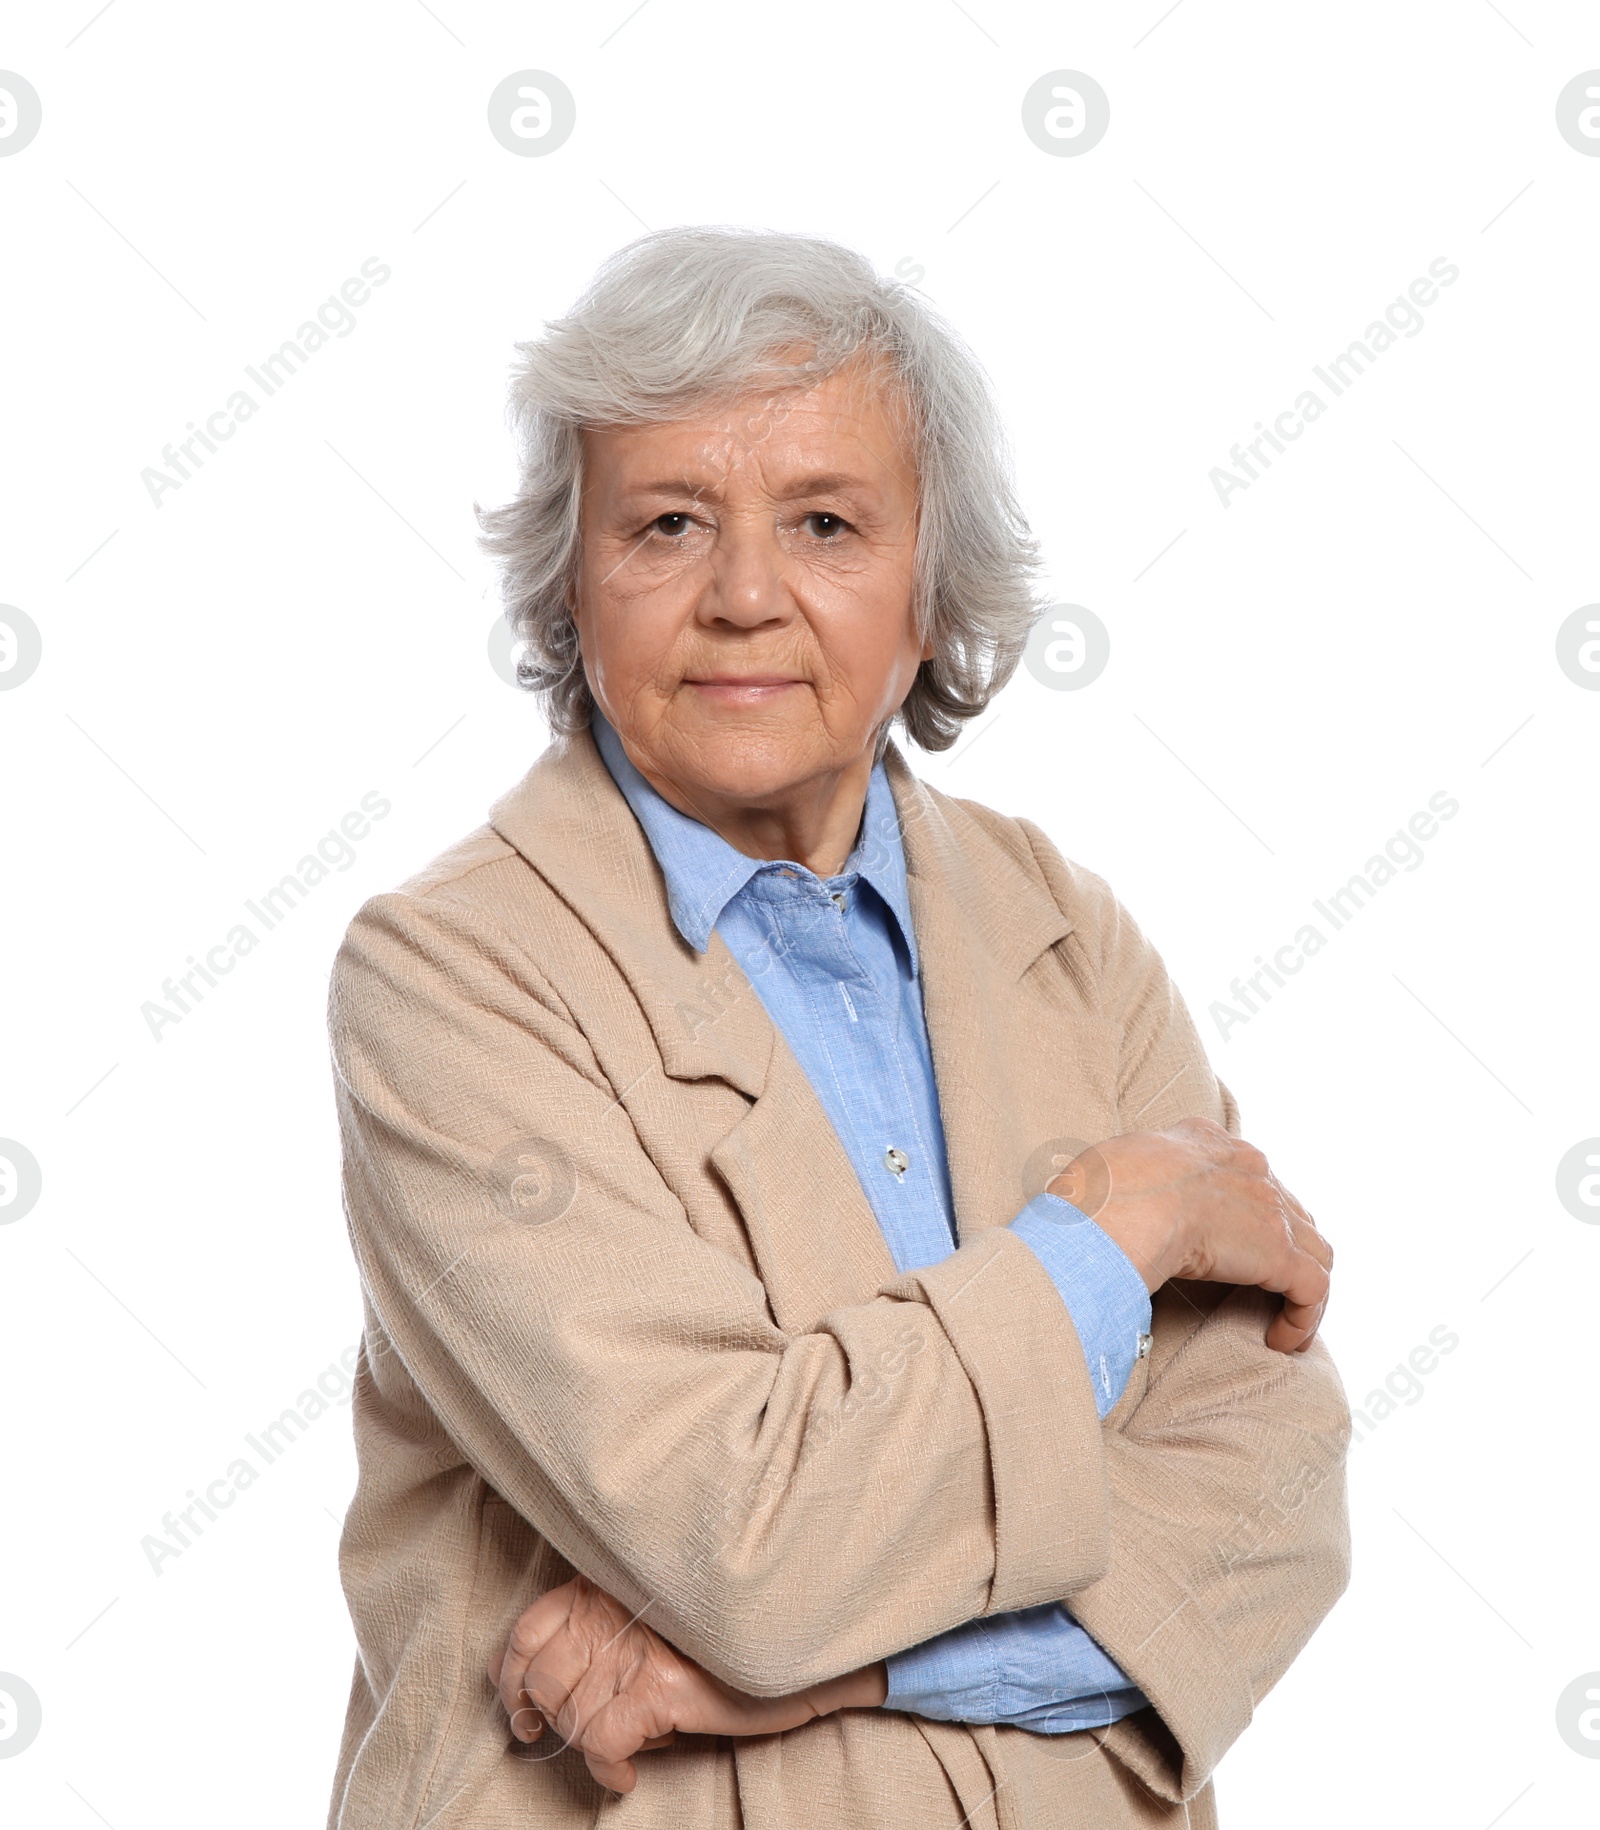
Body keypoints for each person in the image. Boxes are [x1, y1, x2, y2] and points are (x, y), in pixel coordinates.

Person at [325, 226, 1348, 1830]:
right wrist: (1105, 1238)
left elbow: (1269, 1511)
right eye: (666, 524)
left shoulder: (1071, 935)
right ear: (570, 581)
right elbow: (739, 1530)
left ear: (928, 595)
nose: (745, 595)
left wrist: (823, 1675)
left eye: (824, 522)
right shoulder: (448, 977)